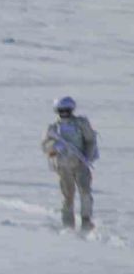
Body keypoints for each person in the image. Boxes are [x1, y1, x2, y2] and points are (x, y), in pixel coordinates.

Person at [41, 96, 98, 230]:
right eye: (62, 110)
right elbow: (45, 145)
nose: (65, 113)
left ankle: (86, 221)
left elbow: (90, 140)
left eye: (67, 110)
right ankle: (68, 224)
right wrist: (55, 146)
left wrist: (87, 157)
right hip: (63, 166)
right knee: (68, 196)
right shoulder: (53, 128)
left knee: (85, 193)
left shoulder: (81, 124)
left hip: (80, 164)